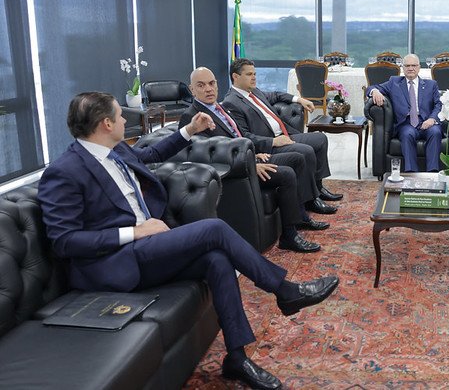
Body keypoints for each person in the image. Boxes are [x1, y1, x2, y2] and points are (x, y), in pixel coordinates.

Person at [37, 92, 339, 389]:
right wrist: (135, 232)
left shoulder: (117, 150)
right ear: (106, 123)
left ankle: (237, 358)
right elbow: (65, 241)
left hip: (146, 250)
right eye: (120, 115)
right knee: (213, 229)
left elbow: (152, 155)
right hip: (114, 262)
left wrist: (189, 130)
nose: (124, 120)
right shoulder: (64, 171)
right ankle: (285, 290)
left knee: (216, 260)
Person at [180, 66, 329, 253]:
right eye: (201, 85)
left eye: (211, 83)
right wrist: (250, 164)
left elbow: (238, 137)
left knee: (297, 159)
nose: (208, 89)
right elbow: (204, 157)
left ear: (217, 84)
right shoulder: (192, 117)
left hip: (249, 158)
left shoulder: (218, 107)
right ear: (192, 89)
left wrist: (254, 155)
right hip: (237, 171)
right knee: (287, 174)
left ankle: (301, 215)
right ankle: (289, 236)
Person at [223, 58, 342, 216]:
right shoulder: (231, 102)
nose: (254, 77)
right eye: (249, 74)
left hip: (285, 134)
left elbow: (276, 95)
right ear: (235, 76)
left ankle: (318, 188)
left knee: (320, 139)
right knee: (306, 151)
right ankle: (310, 200)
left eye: (255, 74)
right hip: (271, 145)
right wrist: (273, 141)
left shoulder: (254, 91)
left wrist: (299, 99)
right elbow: (244, 136)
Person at [366, 53, 443, 172]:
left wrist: (432, 119)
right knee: (407, 134)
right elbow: (371, 88)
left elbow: (438, 104)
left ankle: (432, 172)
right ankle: (411, 173)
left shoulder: (431, 84)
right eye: (407, 65)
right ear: (403, 68)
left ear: (419, 67)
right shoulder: (394, 82)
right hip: (406, 123)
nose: (411, 68)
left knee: (435, 132)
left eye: (414, 65)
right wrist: (375, 92)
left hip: (427, 121)